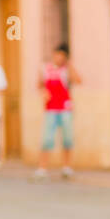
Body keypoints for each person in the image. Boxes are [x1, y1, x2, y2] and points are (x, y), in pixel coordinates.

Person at [36, 44, 81, 178]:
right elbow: (39, 85)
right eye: (57, 55)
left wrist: (70, 65)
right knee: (46, 139)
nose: (59, 58)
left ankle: (66, 167)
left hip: (65, 108)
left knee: (68, 139)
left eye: (62, 56)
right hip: (51, 109)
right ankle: (42, 168)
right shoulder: (45, 69)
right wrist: (43, 93)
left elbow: (78, 80)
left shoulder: (67, 70)